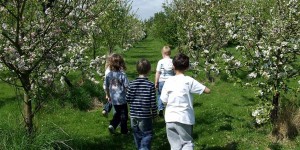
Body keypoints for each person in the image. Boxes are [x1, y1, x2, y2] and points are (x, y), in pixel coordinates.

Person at [160, 53, 211, 150]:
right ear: (187, 67)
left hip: (170, 118)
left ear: (173, 66)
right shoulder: (188, 81)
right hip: (184, 117)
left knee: (175, 146)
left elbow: (164, 100)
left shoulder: (168, 81)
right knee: (187, 143)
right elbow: (207, 90)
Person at [126, 58, 157, 150]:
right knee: (147, 134)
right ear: (149, 70)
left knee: (137, 135)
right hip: (145, 116)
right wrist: (154, 114)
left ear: (137, 70)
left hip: (133, 115)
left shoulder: (131, 84)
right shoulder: (150, 85)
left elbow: (127, 98)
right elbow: (153, 102)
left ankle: (140, 148)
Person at [105, 53, 129, 134]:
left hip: (114, 99)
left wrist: (108, 95)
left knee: (118, 113)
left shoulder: (108, 75)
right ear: (121, 63)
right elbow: (126, 87)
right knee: (124, 115)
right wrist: (129, 96)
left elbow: (106, 86)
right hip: (122, 99)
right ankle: (124, 131)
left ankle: (112, 125)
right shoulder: (122, 75)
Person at [155, 46, 174, 117]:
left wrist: (156, 82)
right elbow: (175, 72)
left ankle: (160, 108)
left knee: (160, 94)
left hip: (162, 81)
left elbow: (158, 72)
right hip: (171, 81)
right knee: (170, 95)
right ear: (170, 53)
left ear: (162, 53)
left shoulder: (160, 62)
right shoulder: (172, 61)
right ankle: (170, 108)